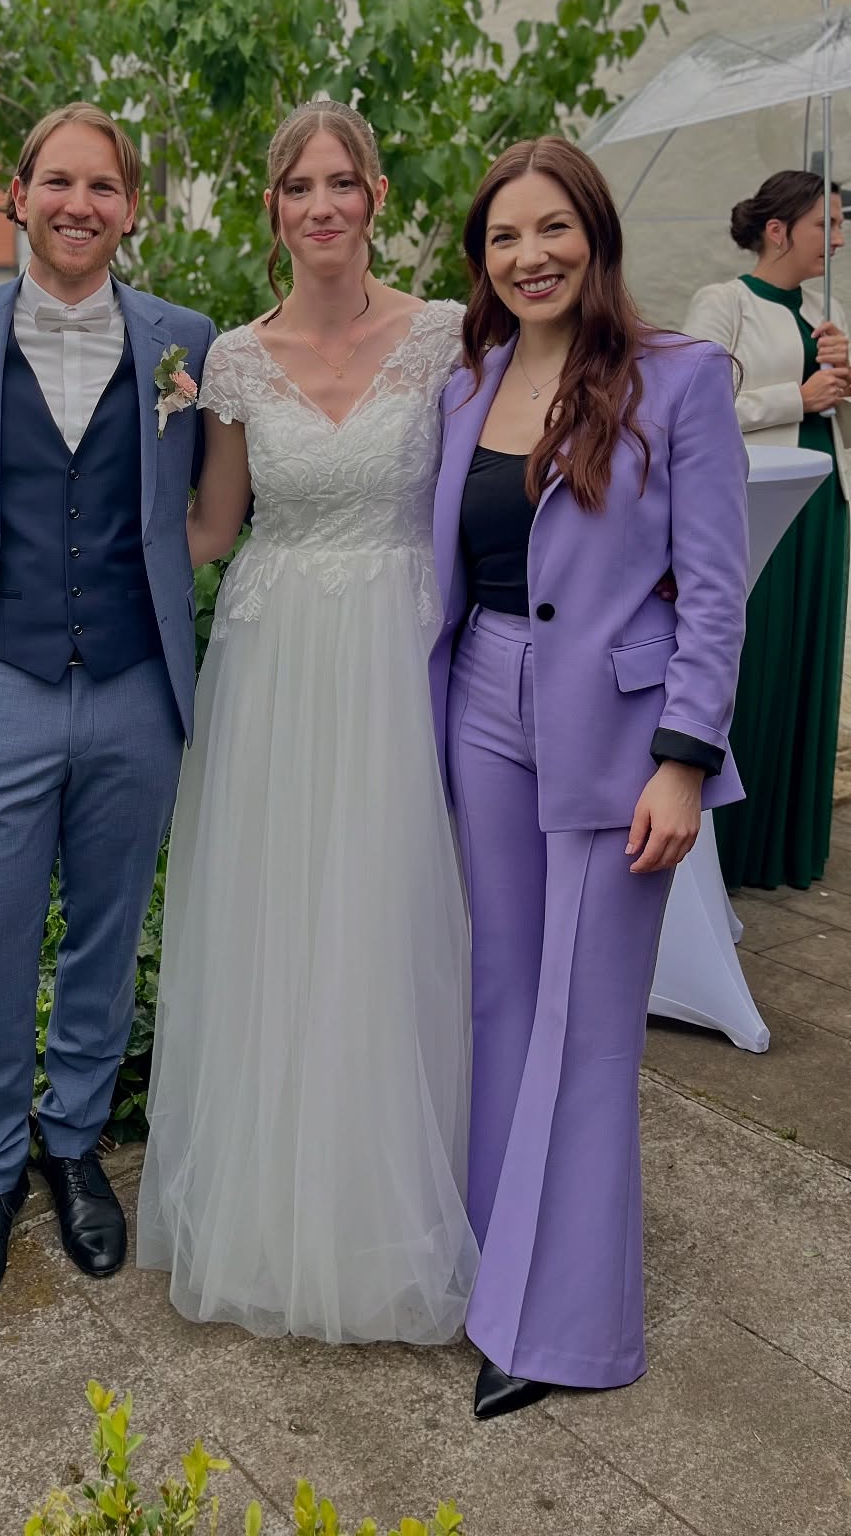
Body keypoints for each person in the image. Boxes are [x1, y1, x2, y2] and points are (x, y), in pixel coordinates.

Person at [136, 101, 478, 1344]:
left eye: (343, 182)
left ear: (377, 194)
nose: (322, 205)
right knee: (280, 922)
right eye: (298, 187)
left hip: (399, 646)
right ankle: (271, 1213)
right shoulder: (230, 358)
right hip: (274, 659)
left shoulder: (447, 336)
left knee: (385, 916)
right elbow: (215, 525)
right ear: (271, 209)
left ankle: (387, 1211)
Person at [430, 136, 749, 1418]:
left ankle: (563, 1326)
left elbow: (718, 590)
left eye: (552, 228)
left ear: (595, 235)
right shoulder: (475, 377)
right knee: (501, 999)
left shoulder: (678, 379)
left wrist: (683, 762)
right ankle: (490, 1264)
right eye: (505, 237)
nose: (530, 255)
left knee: (591, 1024)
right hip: (479, 707)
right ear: (483, 260)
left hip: (619, 733)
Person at [0, 104, 215, 1317]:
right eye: (57, 182)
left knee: (106, 929)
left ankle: (73, 1142)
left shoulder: (186, 342)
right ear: (19, 195)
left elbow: (210, 509)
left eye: (105, 186)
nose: (79, 204)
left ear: (131, 206)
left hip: (138, 684)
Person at [684, 172, 849, 892]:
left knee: (811, 660)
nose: (838, 239)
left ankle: (788, 846)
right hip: (756, 505)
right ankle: (731, 849)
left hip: (823, 506)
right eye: (826, 225)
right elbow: (694, 402)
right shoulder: (723, 303)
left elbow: (836, 416)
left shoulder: (828, 309)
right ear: (778, 230)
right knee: (755, 664)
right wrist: (799, 394)